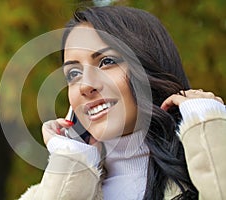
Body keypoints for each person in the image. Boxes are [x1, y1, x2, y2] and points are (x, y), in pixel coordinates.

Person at [19, 6, 226, 200]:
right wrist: (71, 164)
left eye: (106, 62)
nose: (85, 86)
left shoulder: (207, 166)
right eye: (74, 73)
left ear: (147, 67)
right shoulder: (46, 193)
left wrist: (209, 130)